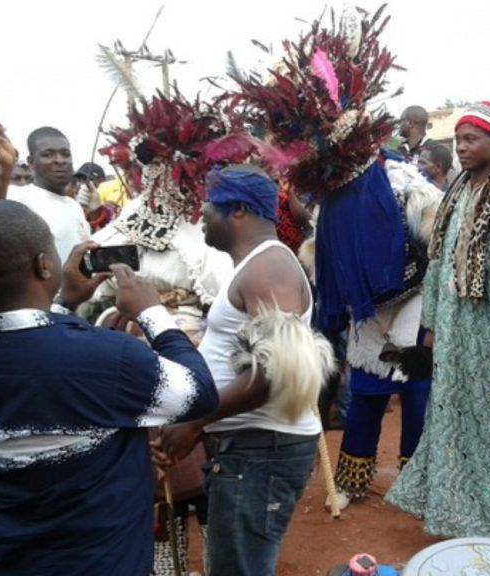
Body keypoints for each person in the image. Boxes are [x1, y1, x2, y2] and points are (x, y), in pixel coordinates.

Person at [229, 7, 443, 516]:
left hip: (414, 306)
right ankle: (352, 477)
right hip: (364, 314)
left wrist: (433, 324)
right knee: (366, 392)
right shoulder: (330, 206)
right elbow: (324, 267)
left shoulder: (404, 185)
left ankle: (417, 481)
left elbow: (440, 249)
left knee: (416, 395)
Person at [0, 200, 218, 576]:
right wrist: (152, 313)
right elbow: (198, 393)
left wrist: (63, 303)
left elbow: (31, 373)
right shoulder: (106, 357)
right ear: (44, 265)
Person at [95, 88, 254, 575]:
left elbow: (226, 307)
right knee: (148, 480)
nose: (163, 177)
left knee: (200, 475)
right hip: (129, 361)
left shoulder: (202, 239)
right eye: (154, 164)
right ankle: (166, 565)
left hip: (194, 357)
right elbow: (93, 292)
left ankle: (210, 557)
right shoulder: (119, 231)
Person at [386, 101, 490, 543]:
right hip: (459, 340)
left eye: (471, 139)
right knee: (458, 428)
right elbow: (439, 267)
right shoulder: (457, 194)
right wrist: (434, 330)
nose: (461, 148)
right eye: (458, 140)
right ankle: (459, 517)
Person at [157, 166, 327, 576]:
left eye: (208, 209)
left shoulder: (269, 267)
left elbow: (274, 374)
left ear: (236, 211)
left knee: (241, 569)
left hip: (261, 450)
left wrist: (197, 423)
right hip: (253, 447)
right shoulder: (258, 264)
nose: (201, 219)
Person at [0, 126, 90, 262]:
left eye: (65, 154)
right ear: (31, 162)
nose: (60, 160)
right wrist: (4, 170)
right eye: (48, 154)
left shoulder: (74, 205)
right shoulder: (18, 195)